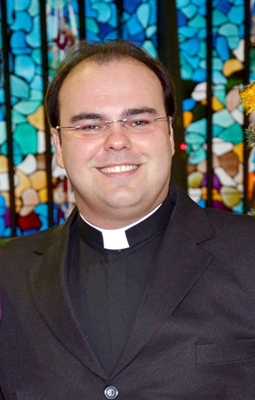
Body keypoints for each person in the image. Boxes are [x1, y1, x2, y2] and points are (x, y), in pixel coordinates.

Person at [0, 40, 255, 400]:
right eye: (90, 126)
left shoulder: (250, 254)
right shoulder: (7, 275)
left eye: (138, 120)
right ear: (58, 145)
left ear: (168, 134)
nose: (116, 141)